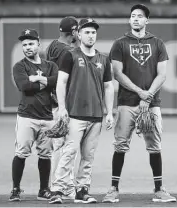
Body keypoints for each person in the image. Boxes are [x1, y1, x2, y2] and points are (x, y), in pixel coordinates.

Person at [102, 4, 176, 203]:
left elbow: (162, 75)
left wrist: (148, 96)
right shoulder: (120, 43)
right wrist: (141, 93)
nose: (135, 19)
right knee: (120, 145)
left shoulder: (158, 43)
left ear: (146, 21)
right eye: (132, 16)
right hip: (127, 102)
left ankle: (159, 189)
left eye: (140, 16)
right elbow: (117, 73)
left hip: (151, 104)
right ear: (129, 20)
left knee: (154, 146)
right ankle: (113, 189)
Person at [49, 17, 114, 204]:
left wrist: (109, 112)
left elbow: (109, 87)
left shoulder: (103, 58)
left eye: (93, 32)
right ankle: (57, 189)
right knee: (69, 152)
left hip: (95, 116)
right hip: (75, 114)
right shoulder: (70, 55)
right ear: (78, 34)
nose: (91, 35)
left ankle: (82, 190)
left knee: (88, 155)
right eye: (86, 31)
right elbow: (61, 82)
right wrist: (62, 108)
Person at [9, 29, 58, 202]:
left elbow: (56, 82)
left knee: (45, 154)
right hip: (26, 116)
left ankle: (44, 190)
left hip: (47, 117)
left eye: (31, 43)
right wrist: (45, 82)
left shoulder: (51, 66)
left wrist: (36, 79)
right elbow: (24, 87)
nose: (28, 47)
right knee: (21, 152)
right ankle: (15, 189)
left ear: (38, 44)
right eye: (24, 45)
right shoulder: (20, 66)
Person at [45, 16, 79, 200]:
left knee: (60, 146)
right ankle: (61, 186)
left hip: (55, 101)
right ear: (73, 32)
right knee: (64, 146)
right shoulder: (68, 50)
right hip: (62, 104)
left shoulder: (52, 45)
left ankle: (59, 185)